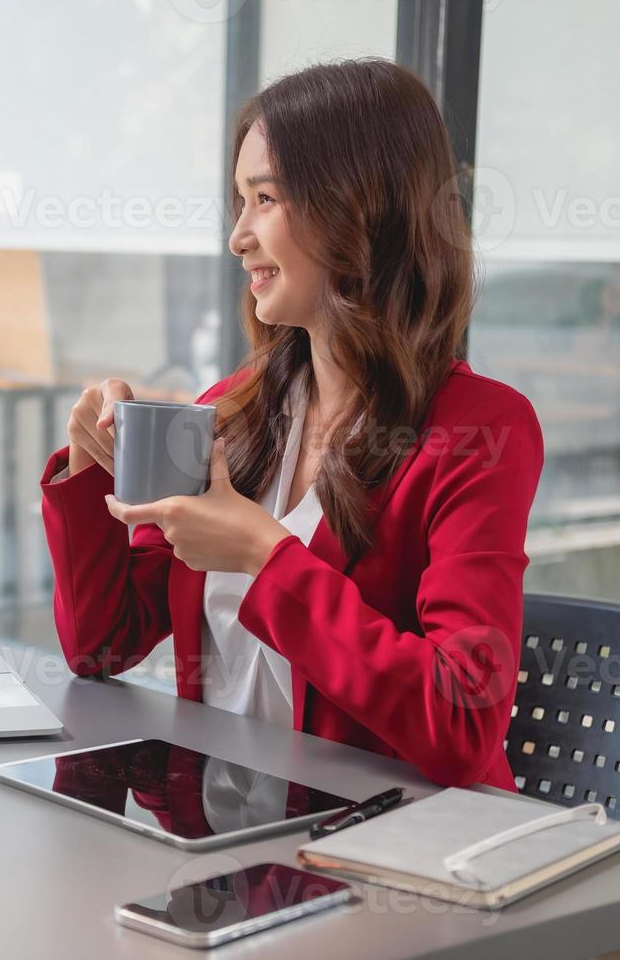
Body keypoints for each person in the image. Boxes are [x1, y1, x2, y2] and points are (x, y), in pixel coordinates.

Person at [39, 58, 544, 789]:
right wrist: (89, 469)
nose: (238, 236)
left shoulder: (481, 431)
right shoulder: (233, 409)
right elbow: (101, 648)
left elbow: (461, 720)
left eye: (264, 198)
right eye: (238, 202)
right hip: (222, 842)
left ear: (356, 207)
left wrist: (265, 558)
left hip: (385, 858)